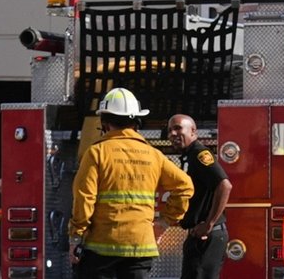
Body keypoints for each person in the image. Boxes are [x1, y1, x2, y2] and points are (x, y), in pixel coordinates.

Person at [67, 88, 193, 279]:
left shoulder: (97, 153)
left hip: (101, 250)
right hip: (140, 247)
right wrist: (164, 222)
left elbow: (84, 198)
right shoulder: (153, 154)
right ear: (137, 122)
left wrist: (76, 237)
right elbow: (185, 186)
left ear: (104, 122)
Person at [167, 114, 231, 279]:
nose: (172, 134)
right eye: (169, 130)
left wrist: (209, 224)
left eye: (178, 128)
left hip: (206, 236)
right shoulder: (189, 156)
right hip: (199, 236)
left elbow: (224, 185)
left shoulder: (199, 154)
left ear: (193, 131)